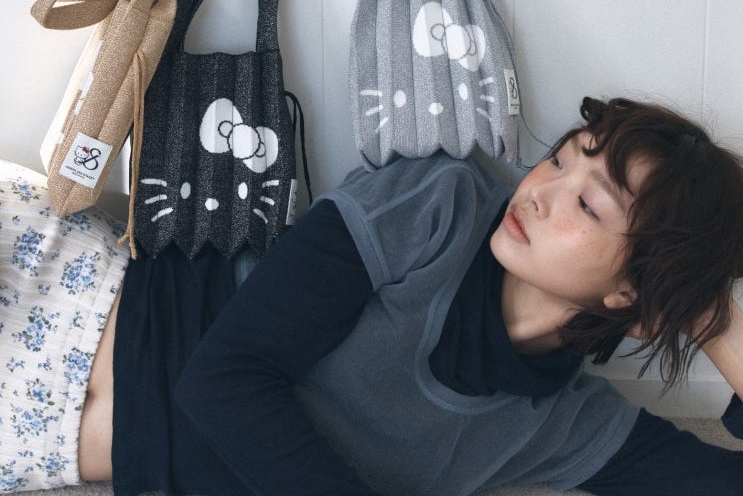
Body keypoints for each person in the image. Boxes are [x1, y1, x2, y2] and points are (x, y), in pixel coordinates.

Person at [1, 97, 743, 494]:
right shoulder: (441, 204)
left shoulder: (561, 427)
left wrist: (711, 319)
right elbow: (221, 380)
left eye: (588, 203)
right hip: (66, 286)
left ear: (631, 293)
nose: (540, 189)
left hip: (40, 442)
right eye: (559, 159)